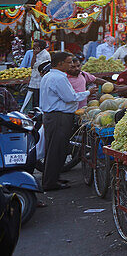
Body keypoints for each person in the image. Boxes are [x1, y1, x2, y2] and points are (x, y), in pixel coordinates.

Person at [40, 52, 94, 191]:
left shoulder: (50, 76)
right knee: (56, 150)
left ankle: (53, 178)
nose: (71, 65)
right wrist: (88, 93)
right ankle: (50, 182)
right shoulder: (58, 78)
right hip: (59, 117)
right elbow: (70, 97)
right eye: (69, 62)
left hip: (54, 116)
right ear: (60, 64)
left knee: (55, 149)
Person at [20, 39, 50, 111]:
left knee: (38, 100)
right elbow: (32, 66)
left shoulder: (44, 55)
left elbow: (38, 67)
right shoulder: (36, 54)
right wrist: (34, 55)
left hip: (40, 82)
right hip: (35, 81)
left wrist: (34, 54)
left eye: (35, 47)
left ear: (40, 47)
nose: (33, 49)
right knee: (34, 99)